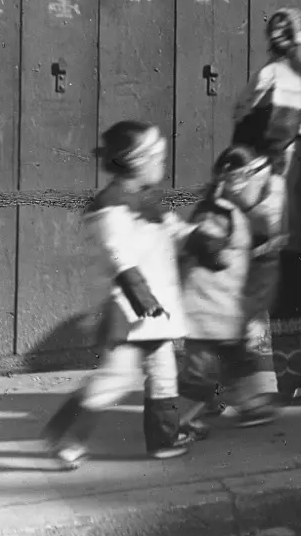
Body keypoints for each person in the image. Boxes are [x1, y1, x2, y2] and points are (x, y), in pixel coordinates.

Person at [41, 120, 220, 469]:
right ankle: (68, 438)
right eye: (157, 156)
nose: (162, 163)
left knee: (164, 373)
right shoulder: (111, 208)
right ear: (137, 161)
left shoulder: (148, 202)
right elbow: (119, 258)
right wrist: (146, 306)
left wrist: (207, 241)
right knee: (117, 377)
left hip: (155, 313)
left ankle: (163, 439)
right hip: (132, 311)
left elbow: (178, 231)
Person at [231, 7, 301, 402]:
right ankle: (291, 379)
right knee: (291, 292)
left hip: (258, 206)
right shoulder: (286, 83)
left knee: (271, 295)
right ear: (297, 42)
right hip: (281, 208)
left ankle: (280, 379)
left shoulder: (268, 77)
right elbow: (277, 152)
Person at [175, 145, 287, 436]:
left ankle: (248, 403)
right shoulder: (216, 212)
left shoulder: (230, 211)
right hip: (208, 309)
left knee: (239, 360)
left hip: (225, 308)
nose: (260, 191)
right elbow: (205, 246)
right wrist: (218, 252)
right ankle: (175, 421)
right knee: (201, 372)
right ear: (237, 183)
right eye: (255, 183)